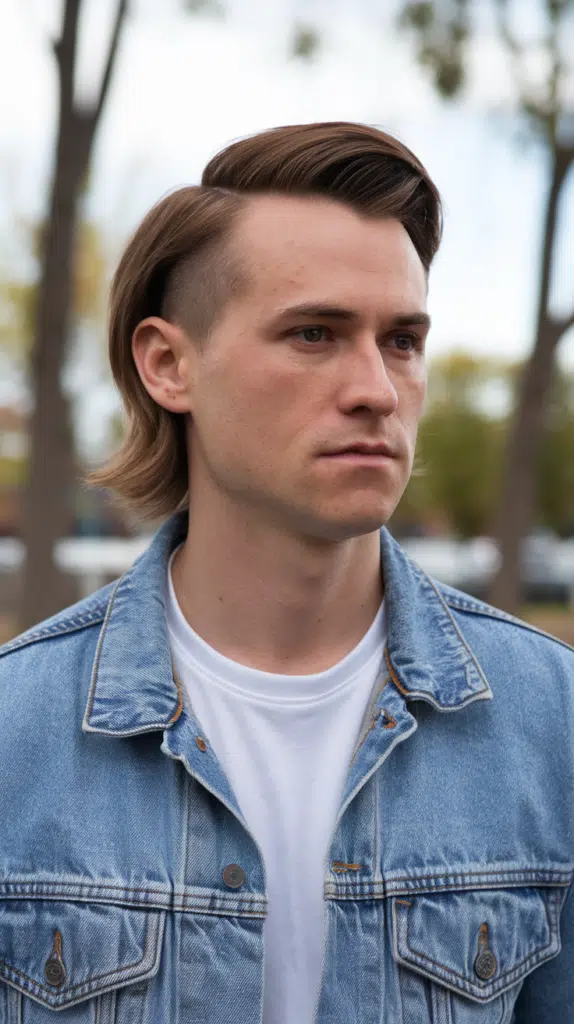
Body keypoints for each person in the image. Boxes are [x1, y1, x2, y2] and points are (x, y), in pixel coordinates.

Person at [0, 122, 572, 1024]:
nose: (376, 389)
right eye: (314, 333)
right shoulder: (15, 732)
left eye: (403, 340)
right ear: (168, 364)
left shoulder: (551, 719)